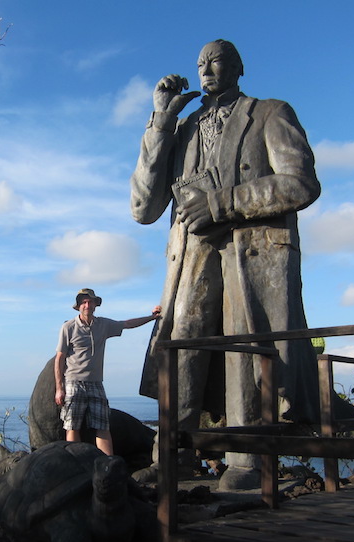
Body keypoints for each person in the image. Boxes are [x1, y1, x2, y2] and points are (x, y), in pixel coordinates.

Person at [130, 40, 321, 488]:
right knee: (184, 342)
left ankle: (246, 460)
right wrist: (161, 122)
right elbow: (143, 207)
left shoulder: (271, 113)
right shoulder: (182, 128)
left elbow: (301, 183)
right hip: (191, 251)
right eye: (199, 63)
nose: (205, 69)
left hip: (249, 248)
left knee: (244, 343)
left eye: (215, 60)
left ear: (238, 66)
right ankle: (173, 454)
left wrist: (223, 203)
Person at [55, 288, 161, 456]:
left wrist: (152, 317)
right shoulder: (68, 327)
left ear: (96, 305)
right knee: (72, 426)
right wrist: (59, 388)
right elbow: (59, 358)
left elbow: (127, 324)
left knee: (102, 425)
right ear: (79, 306)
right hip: (73, 382)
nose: (87, 305)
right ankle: (74, 463)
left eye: (90, 302)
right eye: (83, 302)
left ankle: (108, 463)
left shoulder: (103, 325)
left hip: (96, 383)